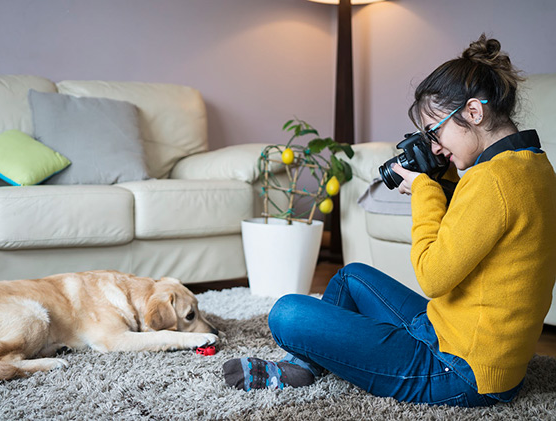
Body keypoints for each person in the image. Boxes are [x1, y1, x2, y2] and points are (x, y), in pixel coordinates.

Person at [222, 34, 556, 407]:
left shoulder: (490, 181)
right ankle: (304, 365)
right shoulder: (531, 165)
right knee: (351, 276)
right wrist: (442, 177)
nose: (435, 147)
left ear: (474, 113)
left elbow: (433, 276)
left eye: (436, 131)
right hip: (462, 340)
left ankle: (302, 362)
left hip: (461, 371)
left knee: (287, 313)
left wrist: (425, 190)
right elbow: (476, 226)